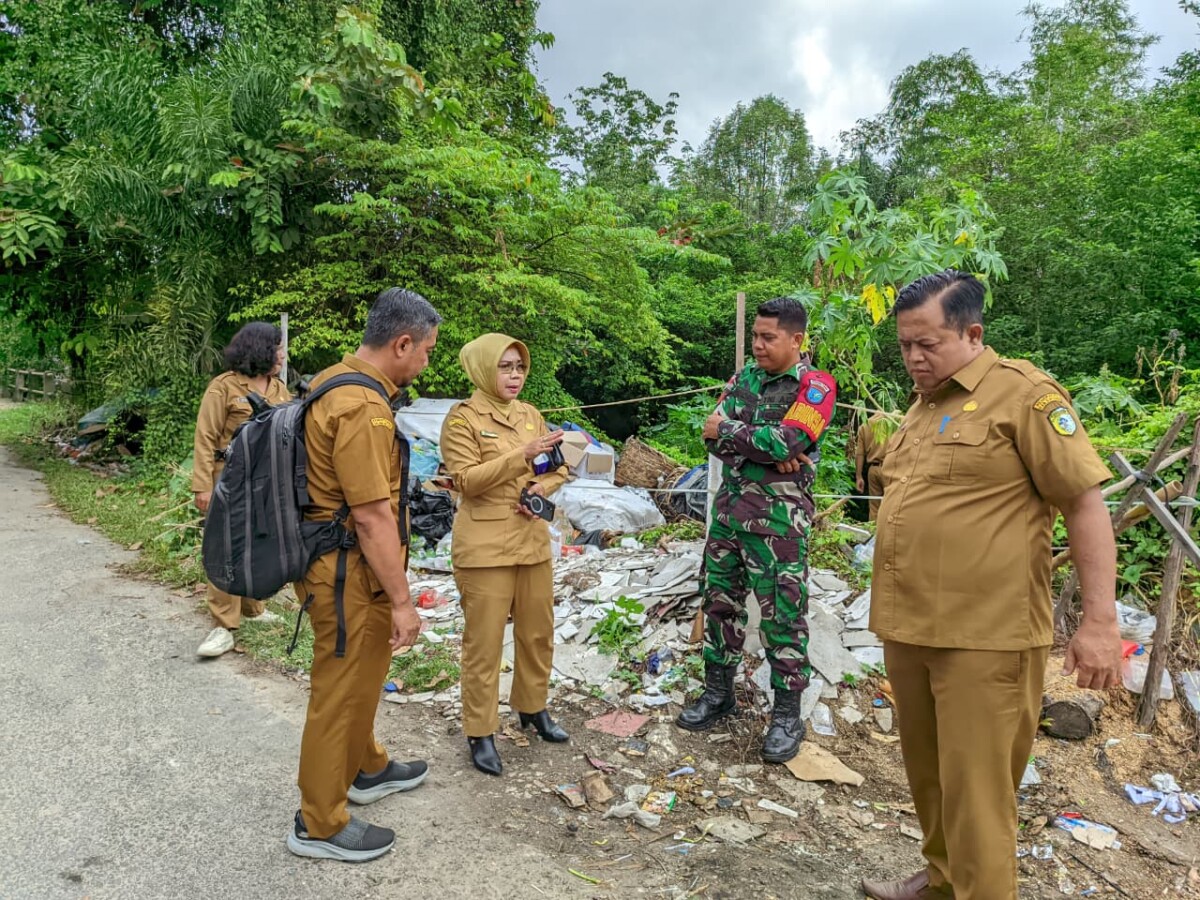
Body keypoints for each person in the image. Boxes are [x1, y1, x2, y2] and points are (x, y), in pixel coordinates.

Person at [862, 271, 1121, 900]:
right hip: (910, 627)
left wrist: (1100, 622)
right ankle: (944, 881)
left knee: (979, 797)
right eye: (904, 346)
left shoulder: (1025, 398)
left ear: (973, 333)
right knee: (928, 778)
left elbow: (1085, 506)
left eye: (928, 344)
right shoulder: (924, 408)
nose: (914, 359)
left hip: (986, 638)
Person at [286, 288, 441, 863]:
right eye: (425, 350)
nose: (427, 361)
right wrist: (404, 602)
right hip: (347, 571)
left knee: (365, 674)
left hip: (349, 566)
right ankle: (319, 821)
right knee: (340, 690)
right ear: (401, 343)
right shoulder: (362, 408)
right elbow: (374, 515)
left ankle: (366, 767)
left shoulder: (333, 380)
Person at [676, 297, 837, 764]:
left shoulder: (816, 386)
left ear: (796, 340)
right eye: (755, 336)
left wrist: (742, 436)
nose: (759, 345)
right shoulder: (743, 378)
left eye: (769, 338)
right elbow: (708, 435)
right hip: (728, 516)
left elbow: (791, 440)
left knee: (784, 618)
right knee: (720, 606)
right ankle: (718, 694)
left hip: (780, 524)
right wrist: (762, 450)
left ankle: (787, 715)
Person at [439, 334, 570, 776]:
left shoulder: (531, 414)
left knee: (537, 634)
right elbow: (465, 480)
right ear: (482, 369)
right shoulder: (462, 419)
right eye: (504, 367)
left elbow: (560, 466)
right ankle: (480, 731)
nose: (514, 375)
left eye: (519, 367)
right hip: (485, 548)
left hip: (531, 540)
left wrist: (543, 485)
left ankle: (533, 708)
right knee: (485, 644)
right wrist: (521, 455)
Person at [193, 322, 291, 658]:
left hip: (264, 482)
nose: (282, 355)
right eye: (277, 349)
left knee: (259, 543)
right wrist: (203, 487)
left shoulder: (279, 389)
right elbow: (205, 437)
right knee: (225, 546)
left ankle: (254, 608)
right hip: (228, 477)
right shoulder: (224, 387)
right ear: (260, 349)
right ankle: (224, 624)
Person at [854, 411, 889, 521]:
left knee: (874, 507)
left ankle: (873, 535)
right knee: (892, 505)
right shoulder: (893, 423)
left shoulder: (865, 426)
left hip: (873, 470)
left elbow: (859, 453)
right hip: (891, 468)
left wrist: (859, 476)